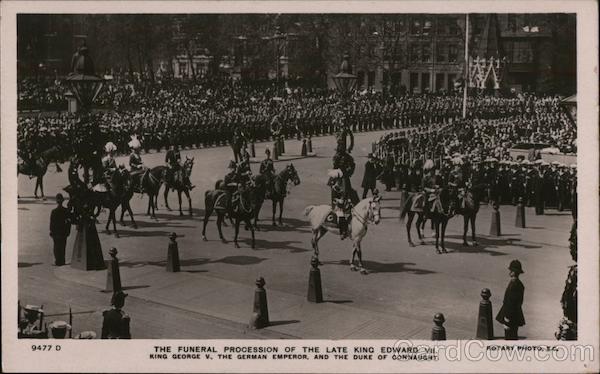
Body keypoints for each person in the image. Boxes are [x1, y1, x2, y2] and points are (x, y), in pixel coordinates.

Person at [496, 259, 525, 340]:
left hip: (511, 317)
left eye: (511, 270)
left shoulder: (514, 285)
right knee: (513, 336)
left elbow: (511, 303)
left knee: (510, 337)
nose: (509, 272)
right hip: (515, 316)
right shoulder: (519, 284)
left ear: (514, 272)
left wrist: (507, 318)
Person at [49, 193, 71, 266]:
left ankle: (58, 261)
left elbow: (52, 223)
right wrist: (68, 231)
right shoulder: (66, 211)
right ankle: (62, 260)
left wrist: (51, 231)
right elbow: (68, 222)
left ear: (56, 201)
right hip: (63, 232)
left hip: (56, 232)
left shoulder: (54, 211)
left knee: (56, 247)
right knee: (63, 246)